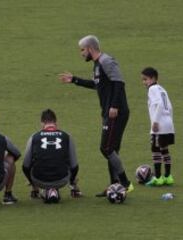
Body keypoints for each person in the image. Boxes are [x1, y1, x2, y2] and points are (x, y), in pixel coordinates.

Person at [59, 35, 133, 196]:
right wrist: (74, 80)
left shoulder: (106, 61)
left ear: (90, 48)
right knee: (112, 149)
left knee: (106, 148)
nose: (81, 53)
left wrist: (114, 106)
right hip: (108, 112)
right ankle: (115, 186)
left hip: (117, 112)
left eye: (82, 50)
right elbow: (96, 85)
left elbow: (119, 83)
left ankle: (125, 183)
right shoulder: (97, 65)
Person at [23, 109, 82, 203]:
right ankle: (73, 188)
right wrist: (71, 181)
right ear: (56, 122)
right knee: (68, 160)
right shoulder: (67, 136)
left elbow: (25, 166)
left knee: (32, 161)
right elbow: (74, 166)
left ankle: (36, 190)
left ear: (42, 123)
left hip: (39, 180)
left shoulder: (34, 137)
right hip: (62, 180)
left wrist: (33, 183)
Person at [141, 67, 175, 186]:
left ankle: (158, 178)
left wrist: (155, 122)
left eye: (145, 79)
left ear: (153, 78)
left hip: (159, 124)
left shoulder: (152, 89)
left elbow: (159, 104)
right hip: (168, 124)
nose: (143, 82)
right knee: (164, 149)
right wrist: (170, 123)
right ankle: (168, 176)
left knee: (155, 150)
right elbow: (169, 107)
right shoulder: (162, 89)